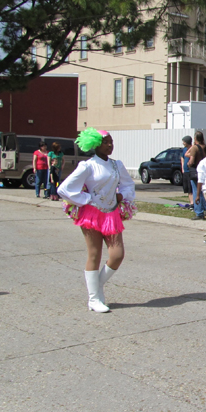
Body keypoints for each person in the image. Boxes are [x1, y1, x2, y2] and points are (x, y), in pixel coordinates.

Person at [58, 128, 136, 313]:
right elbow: (64, 189)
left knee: (117, 255)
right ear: (95, 144)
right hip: (91, 215)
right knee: (94, 254)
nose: (110, 145)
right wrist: (87, 200)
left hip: (111, 214)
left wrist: (121, 197)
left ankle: (97, 287)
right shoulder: (87, 166)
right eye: (105, 142)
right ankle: (93, 299)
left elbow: (128, 185)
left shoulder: (117, 165)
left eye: (111, 141)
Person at [187, 131, 206, 220]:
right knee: (205, 192)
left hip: (196, 172)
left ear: (195, 138)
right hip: (205, 171)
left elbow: (191, 161)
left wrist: (188, 164)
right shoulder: (205, 147)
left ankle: (199, 212)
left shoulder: (195, 148)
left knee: (196, 192)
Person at [181, 136, 194, 209]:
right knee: (187, 188)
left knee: (191, 188)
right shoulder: (184, 150)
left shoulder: (192, 149)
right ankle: (191, 203)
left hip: (191, 171)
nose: (183, 143)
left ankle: (194, 204)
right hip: (185, 171)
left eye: (184, 141)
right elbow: (182, 158)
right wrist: (182, 167)